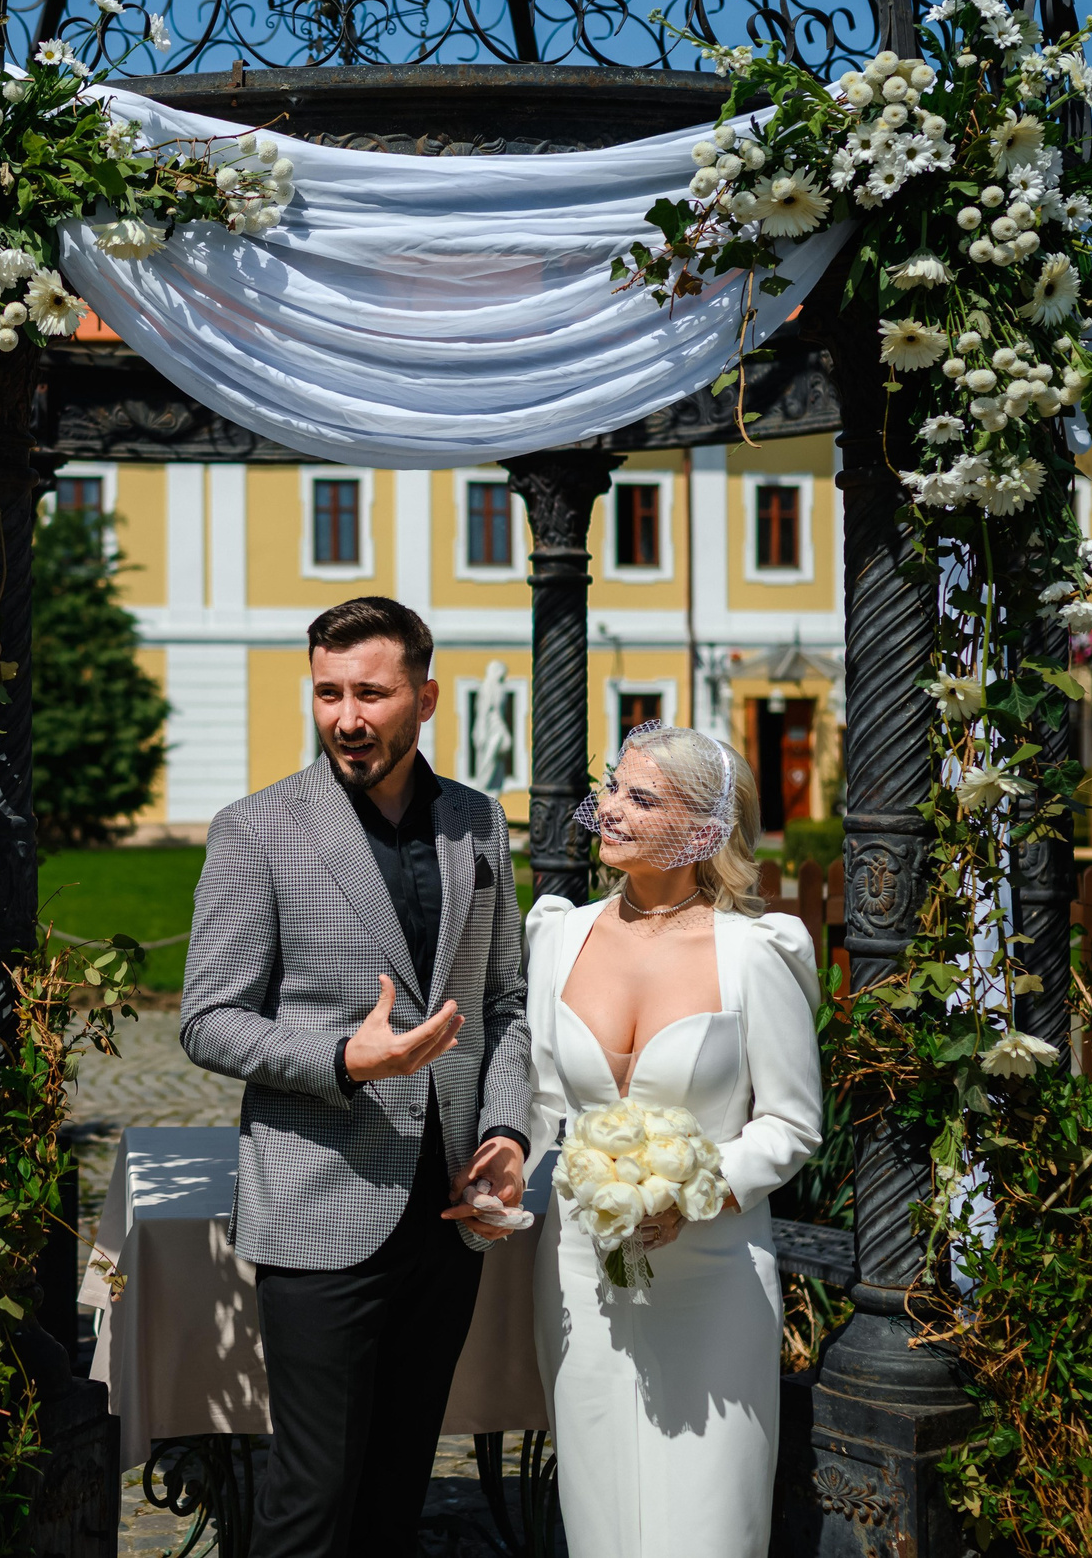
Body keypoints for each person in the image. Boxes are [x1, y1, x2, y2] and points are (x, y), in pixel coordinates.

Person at [180, 596, 531, 1557]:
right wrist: (342, 1060)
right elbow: (208, 1022)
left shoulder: (476, 824)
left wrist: (506, 1134)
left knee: (395, 1488)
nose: (347, 716)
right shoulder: (257, 829)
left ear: (425, 699)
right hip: (318, 1212)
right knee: (310, 1502)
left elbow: (505, 1005)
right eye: (328, 692)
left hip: (449, 1217)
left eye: (371, 693)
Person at [526, 722, 825, 1558]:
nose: (609, 810)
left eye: (640, 797)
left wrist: (697, 1190)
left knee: (706, 1523)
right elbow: (540, 1098)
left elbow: (793, 1122)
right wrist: (503, 1163)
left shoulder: (753, 953)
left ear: (702, 833)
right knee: (600, 1515)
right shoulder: (557, 936)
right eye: (613, 788)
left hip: (715, 1274)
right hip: (579, 1271)